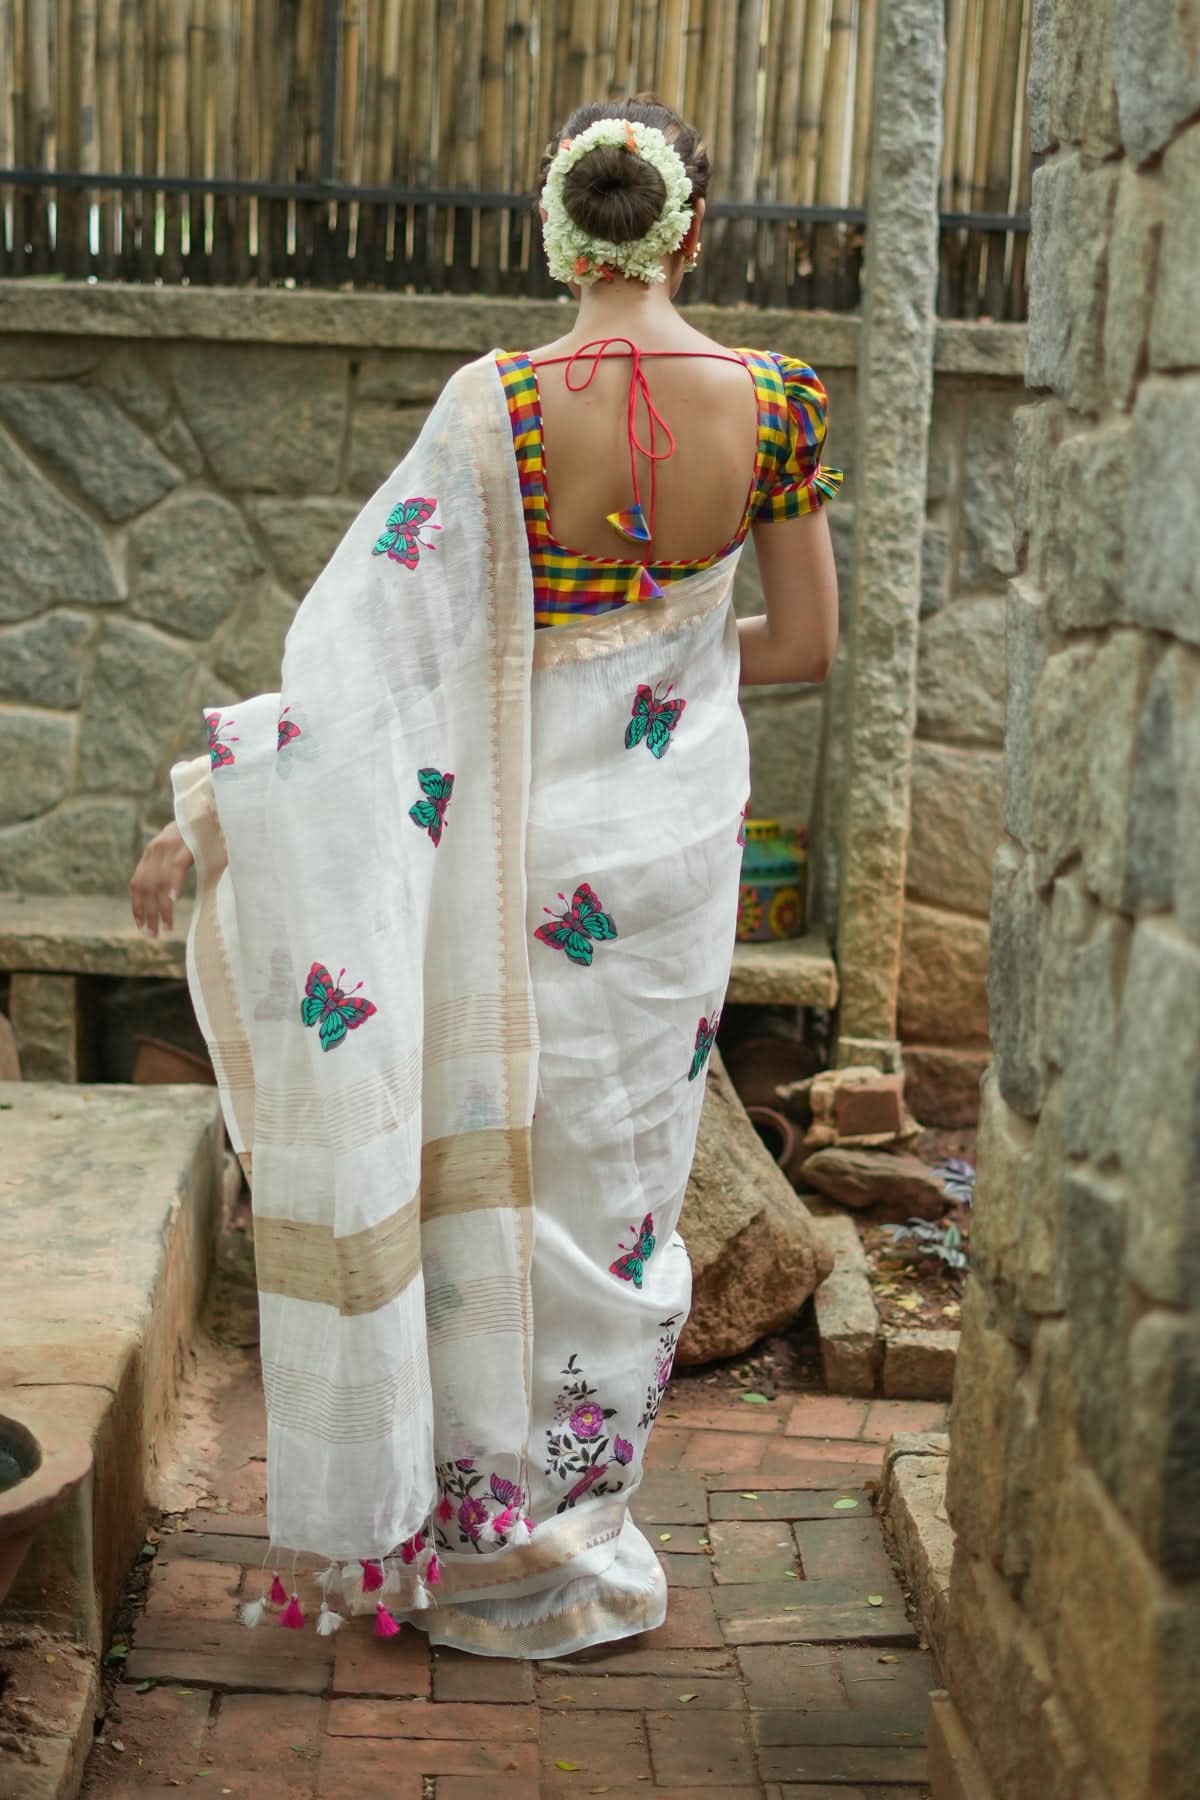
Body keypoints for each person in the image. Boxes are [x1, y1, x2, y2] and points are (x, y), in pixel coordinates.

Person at [130, 94, 840, 1659]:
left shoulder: (499, 408)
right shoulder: (778, 405)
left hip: (520, 855)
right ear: (692, 227)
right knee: (624, 1182)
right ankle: (583, 1530)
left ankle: (477, 1539)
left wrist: (224, 815)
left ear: (557, 231)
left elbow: (371, 664)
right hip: (668, 868)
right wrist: (664, 653)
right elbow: (802, 646)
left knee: (498, 1166)